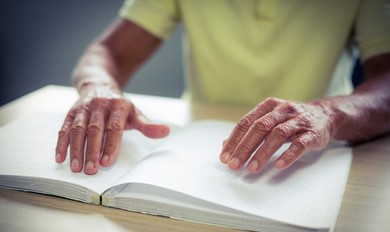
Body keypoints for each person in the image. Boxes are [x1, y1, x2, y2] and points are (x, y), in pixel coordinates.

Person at [55, 0, 390, 175]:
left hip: (318, 149)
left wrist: (326, 114)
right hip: (195, 142)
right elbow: (109, 52)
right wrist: (99, 87)